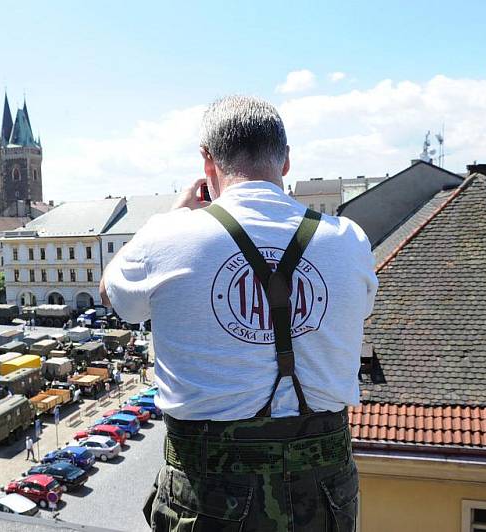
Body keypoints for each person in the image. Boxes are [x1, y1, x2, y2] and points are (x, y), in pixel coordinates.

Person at [100, 96, 377, 531]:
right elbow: (358, 313)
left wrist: (173, 219)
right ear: (286, 162)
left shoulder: (168, 236)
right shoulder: (349, 240)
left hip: (210, 495)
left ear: (206, 162)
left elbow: (113, 295)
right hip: (324, 493)